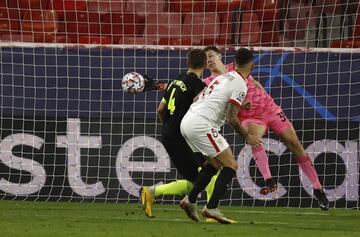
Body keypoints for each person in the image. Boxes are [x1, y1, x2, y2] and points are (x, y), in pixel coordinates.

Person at [203, 46, 329, 210]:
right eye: (206, 59)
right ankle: (269, 180)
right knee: (254, 139)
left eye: (211, 56)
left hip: (271, 109)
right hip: (250, 117)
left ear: (220, 56)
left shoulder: (235, 66)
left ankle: (318, 189)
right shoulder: (208, 83)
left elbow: (254, 83)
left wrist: (263, 94)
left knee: (295, 145)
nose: (210, 60)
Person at [179, 48, 263, 224]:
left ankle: (190, 200)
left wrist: (240, 105)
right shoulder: (240, 83)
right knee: (231, 165)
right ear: (252, 65)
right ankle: (211, 207)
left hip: (188, 121)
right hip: (202, 124)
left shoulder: (223, 77)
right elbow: (232, 119)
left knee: (215, 163)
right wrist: (247, 136)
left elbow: (197, 100)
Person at [139, 49, 219, 220]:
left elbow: (160, 109)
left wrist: (169, 126)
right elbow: (201, 111)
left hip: (171, 132)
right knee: (208, 172)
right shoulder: (199, 86)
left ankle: (152, 193)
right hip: (184, 136)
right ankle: (209, 213)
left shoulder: (175, 81)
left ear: (187, 63)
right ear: (205, 64)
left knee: (201, 175)